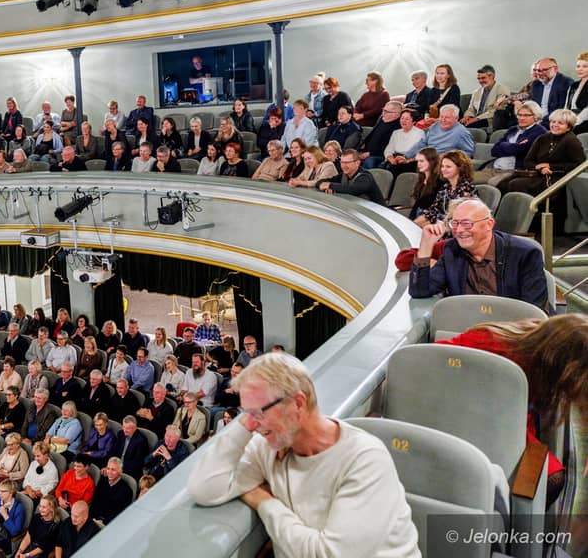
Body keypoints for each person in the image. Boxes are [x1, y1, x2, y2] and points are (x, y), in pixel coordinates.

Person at [188, 353, 419, 555]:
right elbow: (205, 488)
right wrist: (242, 428)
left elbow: (329, 555)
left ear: (298, 403)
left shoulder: (366, 460)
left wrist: (265, 502)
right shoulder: (269, 446)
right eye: (246, 414)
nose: (252, 424)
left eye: (257, 413)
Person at [435, 315, 588, 505]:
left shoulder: (534, 341)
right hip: (470, 423)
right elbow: (434, 361)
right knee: (549, 479)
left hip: (498, 423)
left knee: (549, 477)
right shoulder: (496, 348)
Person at [410, 198, 549, 311]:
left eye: (466, 223)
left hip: (513, 329)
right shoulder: (452, 250)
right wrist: (426, 246)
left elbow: (533, 310)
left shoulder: (525, 254)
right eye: (455, 223)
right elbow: (420, 291)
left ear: (489, 224)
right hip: (468, 326)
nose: (459, 230)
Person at [317, 149, 386, 204]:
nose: (343, 166)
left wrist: (330, 185)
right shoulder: (344, 175)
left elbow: (353, 189)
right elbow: (320, 182)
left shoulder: (365, 177)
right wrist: (324, 186)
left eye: (347, 163)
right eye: (342, 162)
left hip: (376, 213)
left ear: (357, 163)